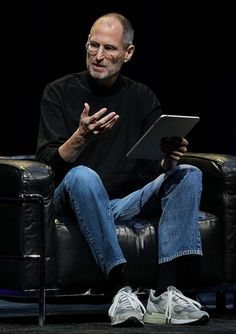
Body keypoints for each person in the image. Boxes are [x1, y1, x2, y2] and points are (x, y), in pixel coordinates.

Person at [36, 12, 209, 327]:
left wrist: (168, 161)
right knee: (84, 175)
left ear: (128, 53)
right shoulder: (58, 92)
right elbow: (48, 165)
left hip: (126, 201)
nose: (99, 56)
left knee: (188, 173)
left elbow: (148, 168)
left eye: (109, 49)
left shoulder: (142, 96)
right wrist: (81, 137)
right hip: (73, 200)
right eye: (93, 45)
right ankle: (119, 290)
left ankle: (164, 293)